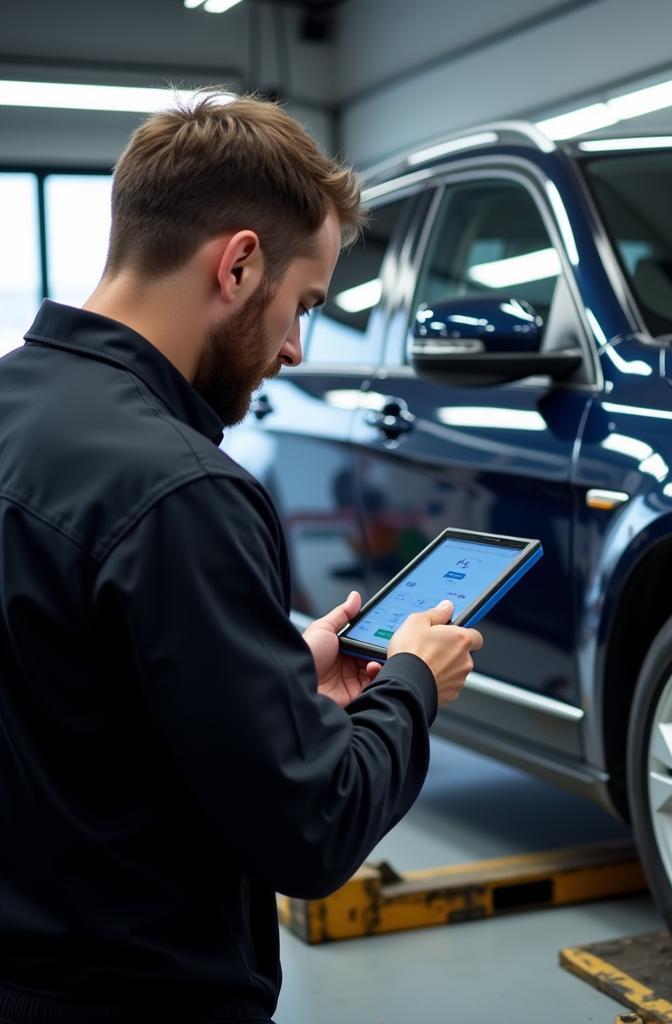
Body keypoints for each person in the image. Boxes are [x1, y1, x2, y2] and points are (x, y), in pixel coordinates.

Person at [0, 91, 483, 1023]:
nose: (296, 349)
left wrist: (271, 672)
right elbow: (311, 828)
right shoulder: (183, 490)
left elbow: (62, 687)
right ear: (239, 264)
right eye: (301, 305)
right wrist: (410, 686)